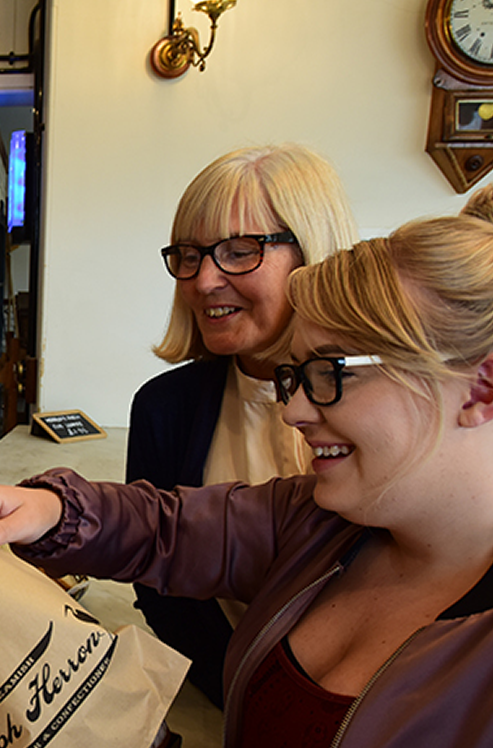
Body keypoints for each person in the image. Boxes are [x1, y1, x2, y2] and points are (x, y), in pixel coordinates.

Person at [0, 173, 493, 746]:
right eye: (294, 376)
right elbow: (168, 525)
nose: (293, 409)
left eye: (330, 371)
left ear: (483, 388)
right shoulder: (325, 522)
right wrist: (51, 509)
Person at [130, 144, 359, 708]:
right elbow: (160, 584)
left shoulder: (389, 401)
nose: (204, 280)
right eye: (189, 255)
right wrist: (246, 694)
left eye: (239, 252)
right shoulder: (165, 407)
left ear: (314, 255)